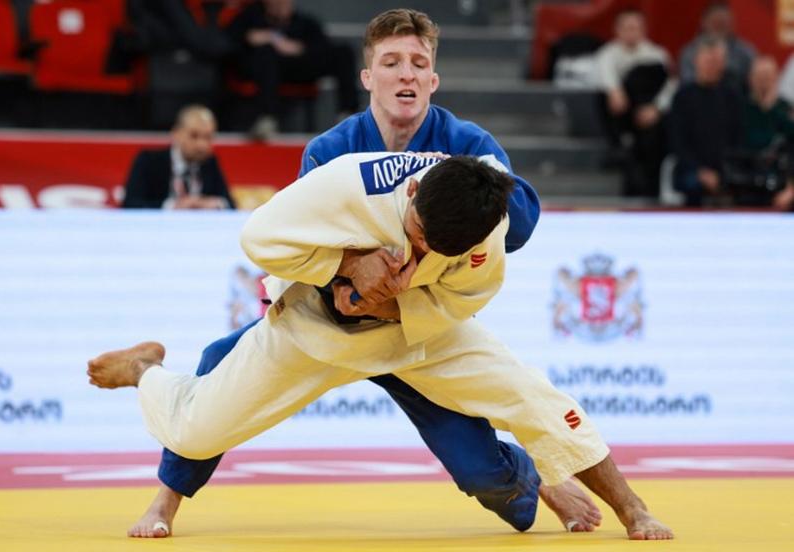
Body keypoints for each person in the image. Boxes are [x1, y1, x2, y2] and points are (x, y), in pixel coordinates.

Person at [126, 9, 602, 540]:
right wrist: (352, 269)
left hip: (414, 328)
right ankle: (166, 499)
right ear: (367, 77)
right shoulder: (330, 151)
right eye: (391, 62)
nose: (406, 74)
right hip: (334, 319)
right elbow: (296, 246)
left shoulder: (468, 146)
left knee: (496, 488)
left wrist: (462, 201)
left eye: (419, 64)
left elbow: (521, 225)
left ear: (433, 80)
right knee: (218, 365)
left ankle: (530, 476)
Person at [88, 152, 673, 541]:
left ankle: (633, 508)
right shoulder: (348, 184)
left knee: (535, 397)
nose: (419, 257)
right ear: (412, 191)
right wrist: (345, 267)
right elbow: (258, 238)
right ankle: (148, 370)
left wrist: (394, 301)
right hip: (313, 328)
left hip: (422, 333)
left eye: (432, 253)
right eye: (415, 238)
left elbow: (464, 301)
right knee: (193, 431)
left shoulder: (484, 227)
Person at [224, 0, 359, 139]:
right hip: (264, 71)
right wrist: (260, 37)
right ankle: (267, 119)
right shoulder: (251, 18)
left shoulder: (303, 22)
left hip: (299, 65)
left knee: (344, 52)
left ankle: (347, 115)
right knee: (266, 55)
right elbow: (230, 42)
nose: (280, 4)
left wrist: (298, 47)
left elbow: (320, 45)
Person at [595, 9, 675, 197]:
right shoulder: (607, 54)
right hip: (621, 113)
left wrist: (656, 108)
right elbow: (604, 77)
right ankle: (617, 145)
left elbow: (670, 86)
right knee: (602, 96)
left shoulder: (657, 55)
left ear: (643, 30)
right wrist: (615, 91)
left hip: (649, 113)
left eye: (635, 28)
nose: (631, 32)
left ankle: (649, 186)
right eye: (626, 28)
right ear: (618, 30)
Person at [670, 37, 743, 207]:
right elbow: (676, 141)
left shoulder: (733, 97)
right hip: (691, 169)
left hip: (726, 168)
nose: (712, 65)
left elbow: (738, 138)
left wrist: (722, 171)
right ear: (697, 61)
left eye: (716, 60)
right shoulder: (682, 97)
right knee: (692, 184)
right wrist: (700, 171)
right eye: (708, 60)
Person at [121, 105, 235, 209]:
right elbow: (130, 204)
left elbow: (230, 204)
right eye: (194, 136)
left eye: (208, 137)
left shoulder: (210, 163)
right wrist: (172, 206)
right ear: (176, 133)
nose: (202, 145)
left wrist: (213, 203)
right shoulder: (149, 161)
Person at [737, 56, 794, 209]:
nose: (763, 82)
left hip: (781, 176)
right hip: (747, 176)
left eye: (768, 77)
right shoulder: (741, 109)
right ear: (750, 79)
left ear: (776, 79)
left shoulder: (784, 108)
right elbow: (750, 142)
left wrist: (772, 109)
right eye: (759, 77)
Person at [679, 1, 755, 92]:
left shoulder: (745, 52)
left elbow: (753, 83)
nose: (719, 28)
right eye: (716, 23)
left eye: (723, 24)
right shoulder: (690, 52)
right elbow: (687, 82)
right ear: (704, 22)